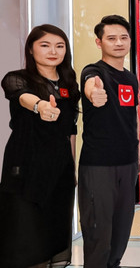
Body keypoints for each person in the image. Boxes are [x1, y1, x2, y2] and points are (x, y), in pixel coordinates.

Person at [0, 25, 79, 268]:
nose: (53, 51)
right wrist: (40, 106)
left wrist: (72, 168)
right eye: (45, 45)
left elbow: (71, 130)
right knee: (25, 235)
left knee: (53, 233)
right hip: (25, 167)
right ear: (31, 50)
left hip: (59, 170)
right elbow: (23, 96)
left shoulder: (69, 83)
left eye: (59, 46)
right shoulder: (17, 78)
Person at [78, 15, 140, 268]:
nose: (119, 43)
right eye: (111, 38)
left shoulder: (131, 77)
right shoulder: (93, 72)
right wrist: (94, 93)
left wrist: (137, 152)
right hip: (99, 165)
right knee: (98, 232)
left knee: (121, 231)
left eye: (123, 37)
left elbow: (132, 117)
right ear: (99, 42)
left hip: (128, 163)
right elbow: (89, 86)